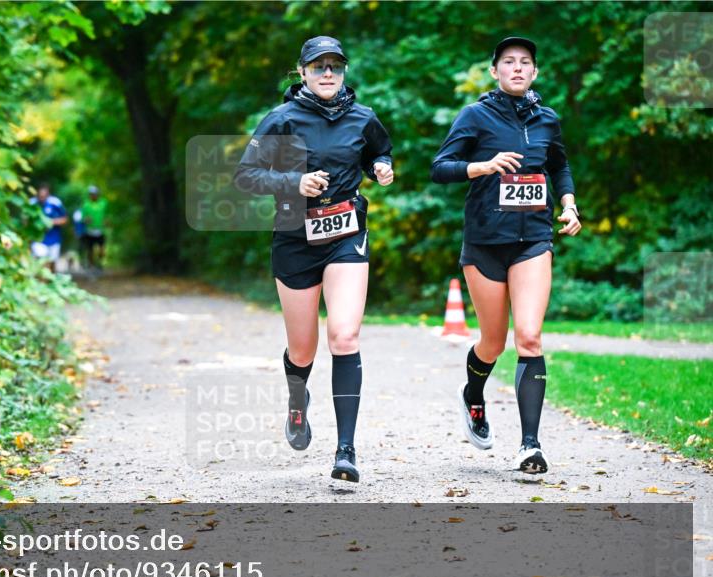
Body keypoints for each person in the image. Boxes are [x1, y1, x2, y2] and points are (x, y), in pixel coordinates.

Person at [234, 36, 394, 483]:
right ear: (301, 72)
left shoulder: (363, 117)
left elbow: (379, 150)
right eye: (318, 66)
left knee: (343, 336)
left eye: (335, 66)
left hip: (346, 233)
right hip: (294, 238)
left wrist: (381, 166)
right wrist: (293, 182)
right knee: (303, 349)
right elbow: (245, 176)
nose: (328, 73)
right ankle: (297, 397)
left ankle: (346, 451)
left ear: (343, 72)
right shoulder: (281, 119)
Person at [431, 37, 581, 475]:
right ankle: (472, 397)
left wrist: (568, 202)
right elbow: (440, 168)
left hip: (533, 238)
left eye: (526, 63)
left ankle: (530, 445)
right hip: (485, 242)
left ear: (534, 72)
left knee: (529, 336)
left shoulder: (547, 119)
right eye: (509, 62)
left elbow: (559, 166)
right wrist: (481, 166)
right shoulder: (475, 115)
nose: (518, 68)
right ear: (495, 71)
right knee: (493, 341)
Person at [29, 183, 67, 272]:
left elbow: (65, 219)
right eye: (40, 196)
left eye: (44, 196)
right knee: (42, 260)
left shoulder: (55, 203)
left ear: (48, 195)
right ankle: (42, 282)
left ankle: (51, 281)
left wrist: (51, 222)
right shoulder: (31, 204)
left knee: (52, 262)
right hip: (38, 239)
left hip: (54, 238)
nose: (42, 198)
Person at [81, 185, 108, 271]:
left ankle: (100, 262)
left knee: (102, 249)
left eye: (95, 194)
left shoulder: (103, 203)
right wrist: (86, 220)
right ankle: (91, 265)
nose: (93, 195)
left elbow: (108, 215)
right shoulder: (86, 204)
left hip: (101, 230)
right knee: (90, 249)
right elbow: (82, 218)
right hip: (89, 230)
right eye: (91, 194)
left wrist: (107, 221)